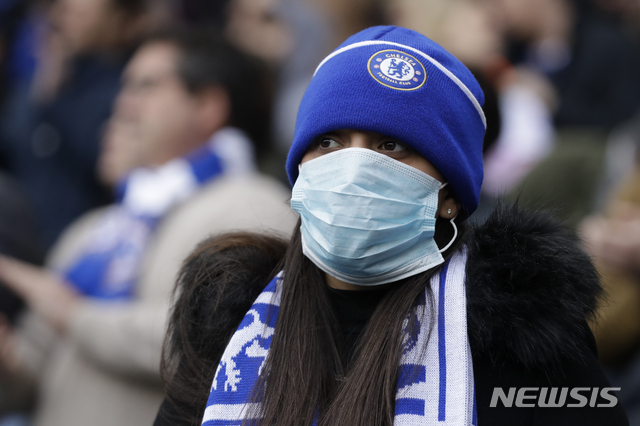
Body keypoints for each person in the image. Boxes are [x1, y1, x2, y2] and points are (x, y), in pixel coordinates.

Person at [156, 26, 628, 425]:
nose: (353, 165)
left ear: (448, 196)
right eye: (327, 141)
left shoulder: (523, 343)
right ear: (299, 172)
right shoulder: (227, 324)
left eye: (390, 147)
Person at [0, 29, 297, 426]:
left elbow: (213, 346)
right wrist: (7, 361)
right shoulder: (96, 229)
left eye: (146, 86)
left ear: (208, 105)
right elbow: (29, 373)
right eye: (124, 87)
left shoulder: (254, 207)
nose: (122, 105)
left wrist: (75, 315)